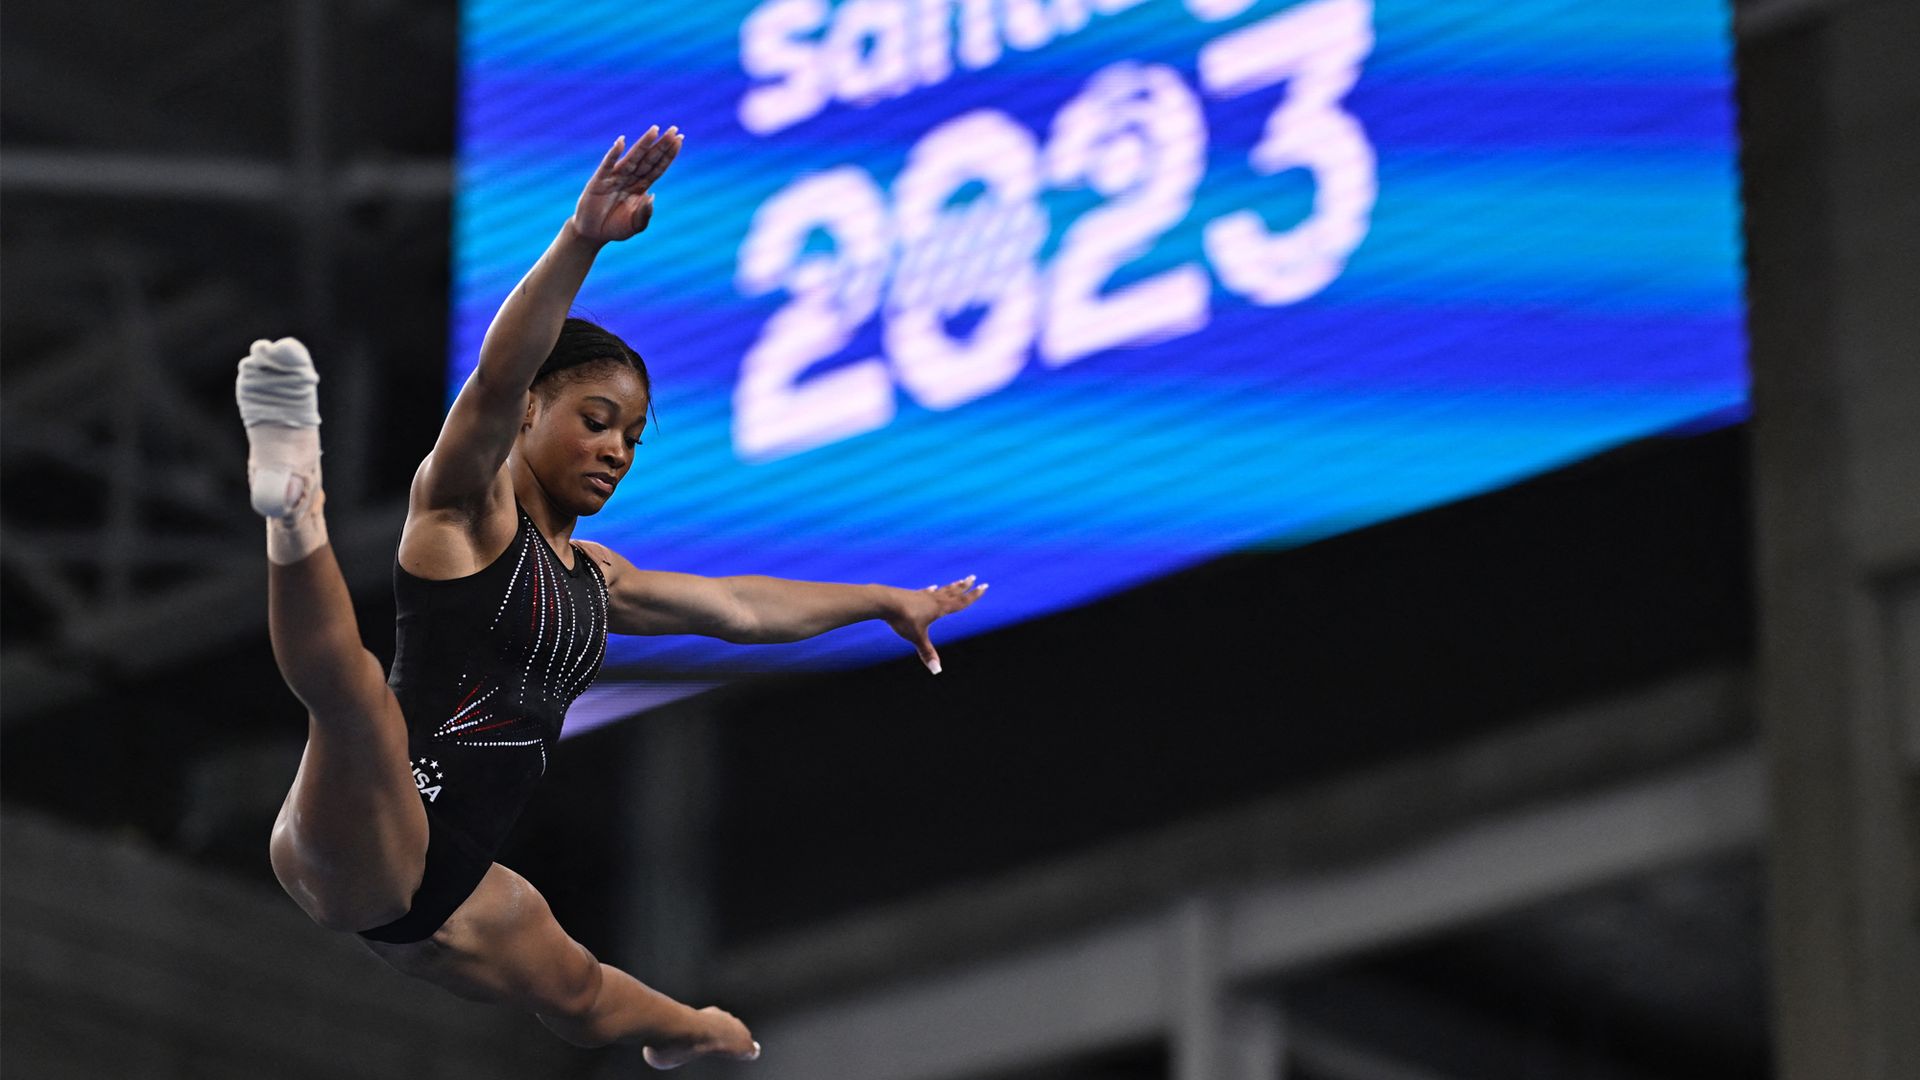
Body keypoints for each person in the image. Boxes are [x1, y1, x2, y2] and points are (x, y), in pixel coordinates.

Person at [235, 125, 987, 1066]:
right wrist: (583, 238)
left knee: (583, 992)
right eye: (596, 422)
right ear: (529, 415)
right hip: (362, 828)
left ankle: (690, 1034)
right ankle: (293, 509)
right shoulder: (467, 509)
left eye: (630, 439)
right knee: (354, 700)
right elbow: (498, 370)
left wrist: (880, 598)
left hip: (453, 883)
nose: (615, 452)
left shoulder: (600, 578)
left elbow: (743, 610)